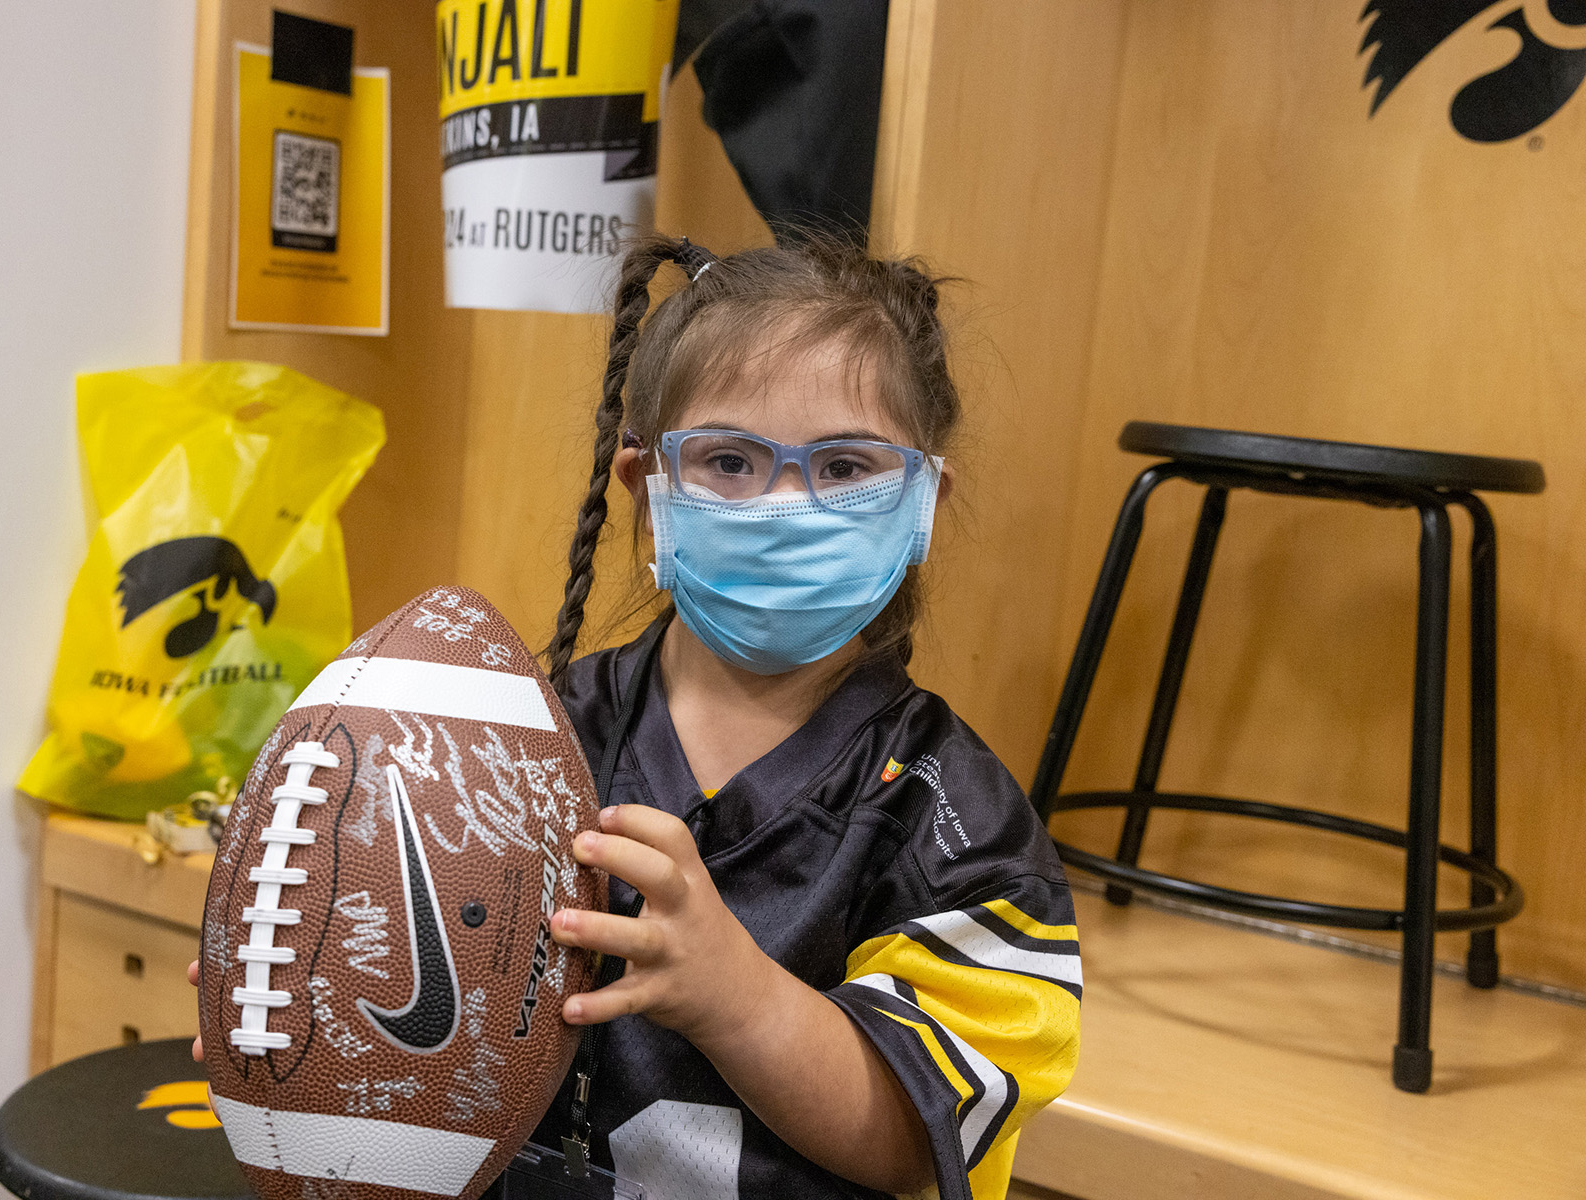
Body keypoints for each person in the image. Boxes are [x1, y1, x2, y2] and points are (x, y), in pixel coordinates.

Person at [193, 233, 1079, 1200]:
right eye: (730, 461)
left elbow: (922, 1138)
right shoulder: (519, 742)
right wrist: (299, 1005)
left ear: (922, 501)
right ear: (646, 494)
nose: (785, 502)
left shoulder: (961, 823)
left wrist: (733, 995)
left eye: (845, 467)